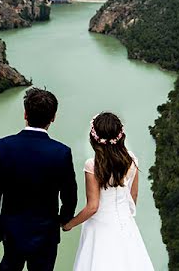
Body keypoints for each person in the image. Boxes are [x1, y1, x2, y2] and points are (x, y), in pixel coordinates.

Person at [0, 88, 78, 271]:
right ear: (53, 117)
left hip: (12, 231)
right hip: (46, 233)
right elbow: (69, 195)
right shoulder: (61, 153)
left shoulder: (2, 147)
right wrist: (64, 220)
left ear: (25, 114)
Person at [63, 112, 155, 271]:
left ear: (94, 139)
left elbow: (93, 207)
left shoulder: (93, 165)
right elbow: (133, 196)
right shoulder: (131, 159)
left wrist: (69, 224)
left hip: (99, 228)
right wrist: (126, 216)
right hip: (126, 224)